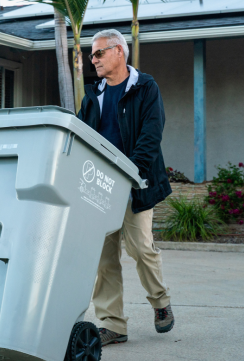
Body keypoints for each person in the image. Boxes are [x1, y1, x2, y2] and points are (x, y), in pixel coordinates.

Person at [76, 28, 174, 346]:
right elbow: (80, 137)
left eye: (99, 53)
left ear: (119, 51)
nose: (94, 60)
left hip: (136, 183)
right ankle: (112, 323)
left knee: (141, 249)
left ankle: (160, 303)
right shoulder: (93, 96)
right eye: (92, 55)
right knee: (104, 258)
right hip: (99, 187)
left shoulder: (145, 87)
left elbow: (151, 133)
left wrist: (130, 172)